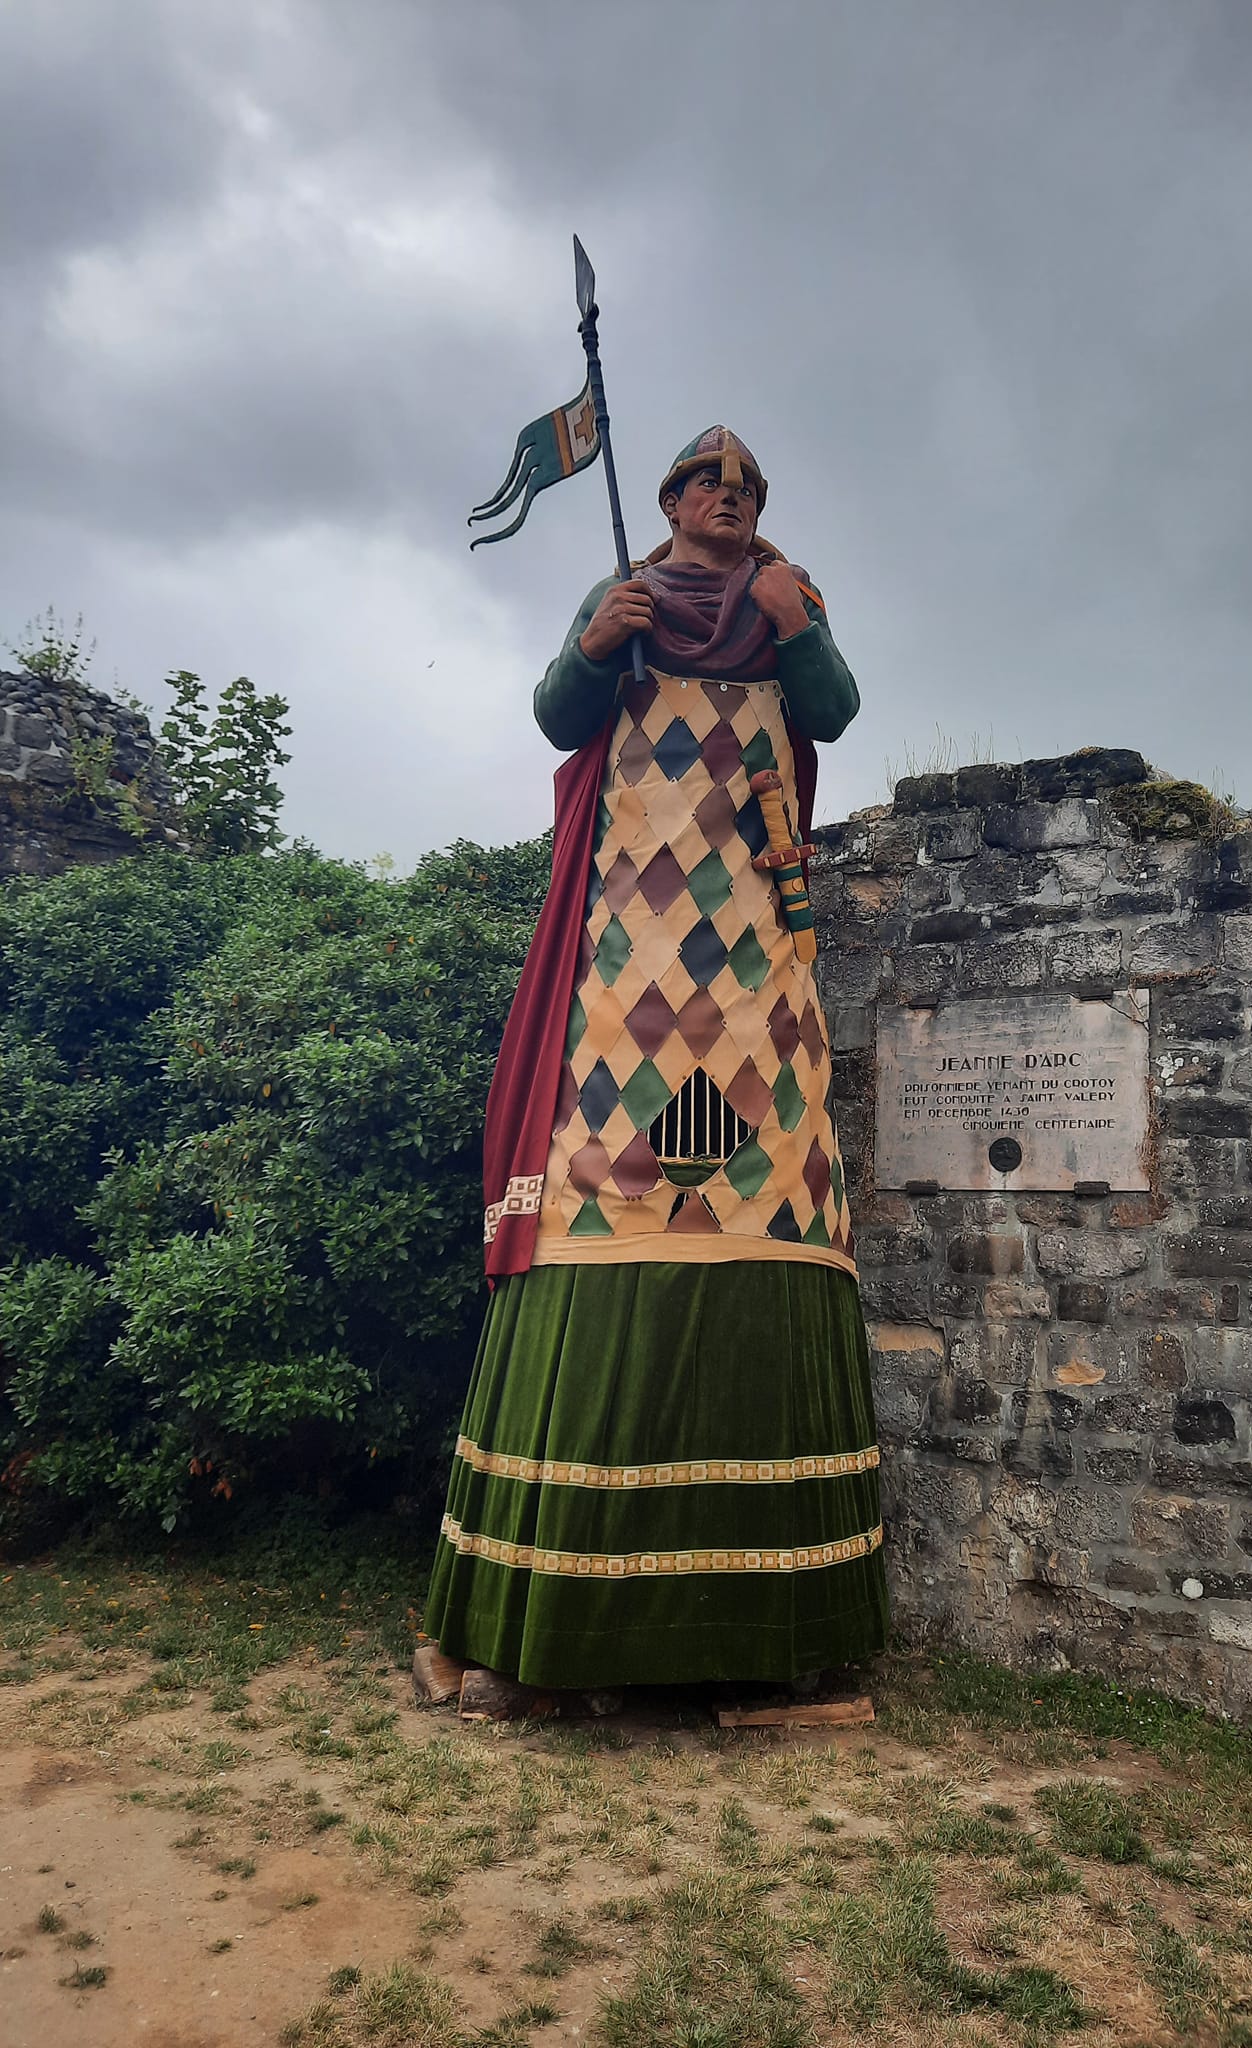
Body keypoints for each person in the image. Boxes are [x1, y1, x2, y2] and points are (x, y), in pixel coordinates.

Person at [423, 426, 888, 1697]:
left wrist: (797, 628)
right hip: (628, 940)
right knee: (606, 1181)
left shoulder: (789, 593)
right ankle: (545, 1615)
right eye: (707, 485)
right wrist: (591, 643)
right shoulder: (622, 594)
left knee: (760, 1182)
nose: (727, 502)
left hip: (754, 950)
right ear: (675, 497)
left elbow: (835, 713)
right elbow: (556, 718)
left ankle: (777, 1622)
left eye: (745, 491)